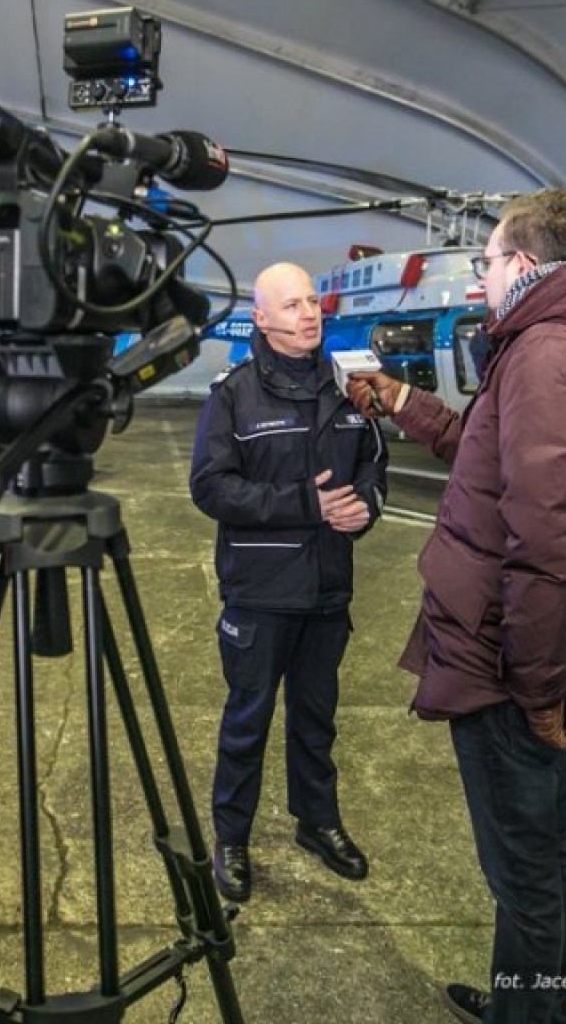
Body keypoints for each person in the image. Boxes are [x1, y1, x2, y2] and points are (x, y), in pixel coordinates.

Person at [345, 188, 566, 1023]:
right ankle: (525, 1002)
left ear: (527, 264)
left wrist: (537, 686)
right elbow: (491, 451)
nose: (484, 276)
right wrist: (402, 400)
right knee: (547, 845)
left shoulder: (548, 355)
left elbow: (550, 543)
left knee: (525, 872)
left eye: (491, 260)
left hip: (512, 656)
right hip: (543, 647)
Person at [189, 261, 388, 903]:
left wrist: (365, 508)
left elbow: (373, 467)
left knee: (317, 719)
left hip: (327, 589)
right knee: (246, 722)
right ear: (262, 317)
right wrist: (307, 504)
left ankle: (317, 821)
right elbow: (211, 487)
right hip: (260, 591)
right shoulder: (234, 395)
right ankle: (232, 837)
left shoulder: (347, 387)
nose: (309, 314)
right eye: (293, 305)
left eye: (312, 302)